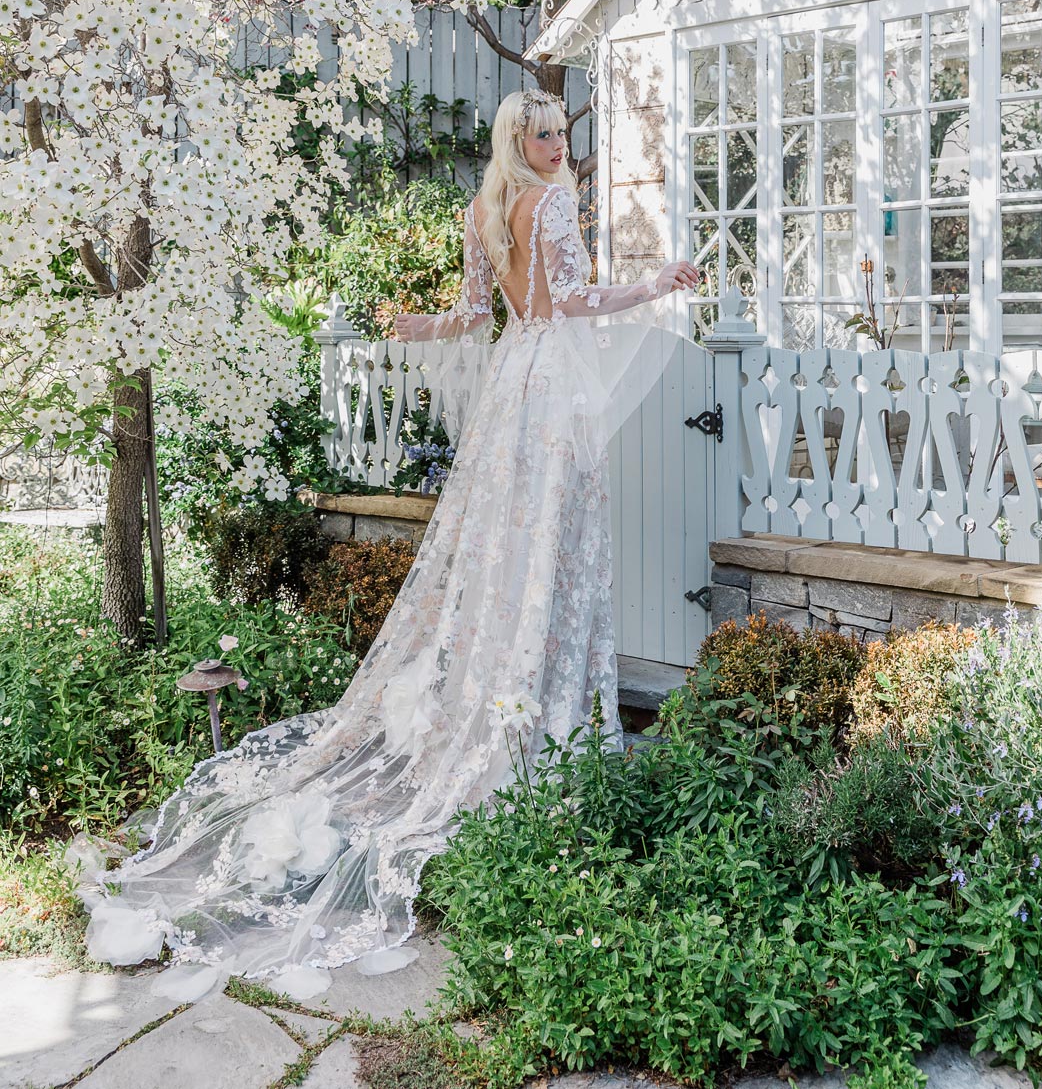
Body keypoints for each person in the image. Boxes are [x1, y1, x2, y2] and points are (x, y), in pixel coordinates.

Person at [75, 89, 698, 1001]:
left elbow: (474, 317)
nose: (561, 146)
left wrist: (414, 328)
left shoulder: (482, 208)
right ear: (516, 139)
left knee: (507, 556)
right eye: (545, 133)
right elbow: (570, 300)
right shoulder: (551, 201)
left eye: (565, 133)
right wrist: (652, 285)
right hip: (554, 393)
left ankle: (511, 712)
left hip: (510, 393)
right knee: (555, 558)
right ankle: (544, 728)